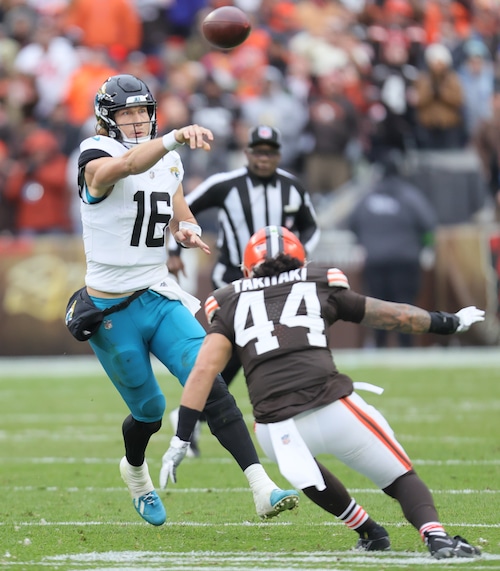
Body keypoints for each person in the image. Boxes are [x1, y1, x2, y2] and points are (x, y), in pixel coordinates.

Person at [162, 225, 484, 559]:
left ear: (246, 270)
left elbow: (203, 371)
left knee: (305, 469)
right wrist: (448, 322)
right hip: (332, 408)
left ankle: (370, 532)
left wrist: (182, 437)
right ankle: (437, 537)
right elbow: (392, 315)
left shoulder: (228, 300)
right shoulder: (317, 283)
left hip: (277, 428)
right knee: (401, 477)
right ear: (301, 262)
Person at [71, 74, 299, 527]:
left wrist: (185, 229)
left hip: (159, 295)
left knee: (210, 380)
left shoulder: (166, 160)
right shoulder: (94, 153)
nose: (137, 121)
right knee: (150, 412)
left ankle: (261, 487)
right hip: (114, 309)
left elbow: (177, 206)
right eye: (126, 113)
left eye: (142, 112)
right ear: (106, 119)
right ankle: (135, 471)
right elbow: (128, 168)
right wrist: (174, 137)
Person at [168, 124, 320, 387]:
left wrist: (298, 255)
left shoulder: (292, 187)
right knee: (241, 341)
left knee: (262, 343)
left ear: (279, 155)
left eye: (270, 152)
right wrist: (174, 249)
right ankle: (201, 407)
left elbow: (311, 227)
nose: (264, 158)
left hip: (278, 280)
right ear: (247, 153)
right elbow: (181, 210)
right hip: (231, 278)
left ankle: (201, 409)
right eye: (258, 152)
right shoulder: (225, 184)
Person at [347, 151, 437, 348]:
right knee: (405, 306)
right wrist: (424, 246)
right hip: (406, 261)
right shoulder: (410, 196)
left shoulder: (368, 197)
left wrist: (366, 242)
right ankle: (406, 347)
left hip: (375, 261)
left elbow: (351, 222)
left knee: (377, 307)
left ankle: (379, 346)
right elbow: (429, 224)